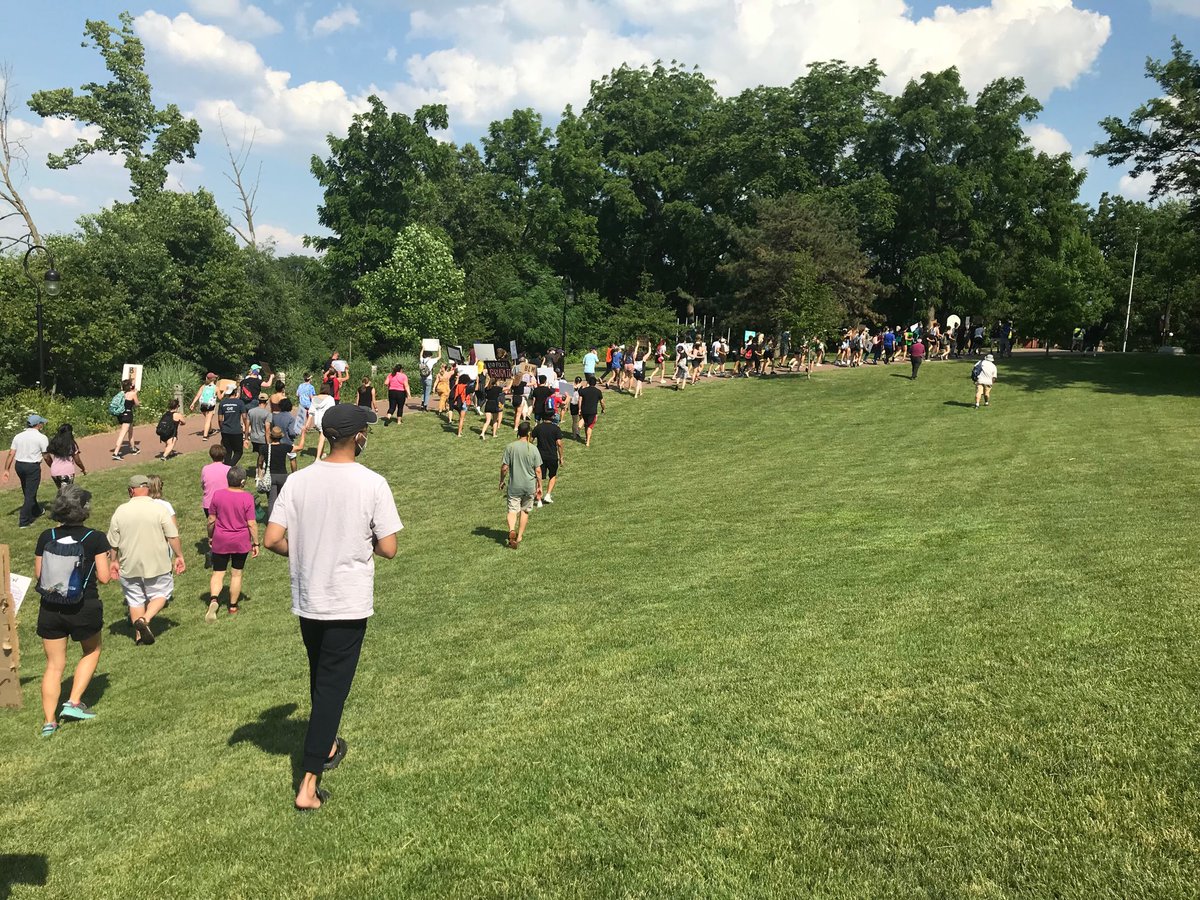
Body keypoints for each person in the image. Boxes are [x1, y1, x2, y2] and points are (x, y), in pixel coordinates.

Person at [264, 403, 401, 811]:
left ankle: (324, 748)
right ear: (357, 437)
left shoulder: (298, 481)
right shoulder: (372, 483)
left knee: (321, 681)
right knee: (332, 692)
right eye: (366, 433)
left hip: (309, 599)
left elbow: (272, 538)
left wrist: (305, 553)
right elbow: (390, 548)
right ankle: (308, 784)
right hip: (346, 600)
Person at [33, 485, 113, 737]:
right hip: (83, 606)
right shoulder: (96, 538)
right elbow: (104, 577)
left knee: (54, 665)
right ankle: (74, 701)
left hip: (50, 607)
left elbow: (39, 574)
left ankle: (49, 721)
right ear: (84, 509)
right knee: (91, 650)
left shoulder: (47, 536)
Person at [107, 474, 186, 646]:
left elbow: (113, 541)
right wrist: (179, 555)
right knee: (161, 593)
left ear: (131, 491)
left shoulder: (121, 510)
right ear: (148, 489)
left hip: (129, 563)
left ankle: (139, 637)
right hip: (157, 562)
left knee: (135, 599)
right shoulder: (159, 509)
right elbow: (172, 535)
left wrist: (113, 561)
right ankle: (145, 618)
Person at [205, 466, 259, 622]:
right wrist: (256, 543)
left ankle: (214, 599)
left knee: (218, 572)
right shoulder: (247, 498)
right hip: (240, 541)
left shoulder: (218, 495)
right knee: (236, 573)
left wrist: (210, 536)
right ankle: (233, 606)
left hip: (221, 539)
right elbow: (252, 523)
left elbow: (211, 520)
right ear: (243, 482)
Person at [500, 421, 542, 549]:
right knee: (525, 511)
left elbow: (504, 468)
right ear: (529, 433)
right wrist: (539, 486)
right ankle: (519, 536)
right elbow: (538, 470)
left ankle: (512, 529)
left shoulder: (510, 447)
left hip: (514, 485)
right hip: (529, 485)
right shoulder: (533, 449)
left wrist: (501, 480)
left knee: (512, 510)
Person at [4, 414, 50, 527]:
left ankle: (37, 511)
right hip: (32, 467)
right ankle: (24, 521)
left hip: (19, 466)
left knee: (28, 490)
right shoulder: (42, 438)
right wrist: (52, 466)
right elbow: (46, 456)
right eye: (42, 423)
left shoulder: (18, 436)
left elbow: (11, 453)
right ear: (38, 425)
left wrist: (6, 469)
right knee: (30, 493)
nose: (43, 424)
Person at [43, 422, 86, 493]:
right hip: (67, 471)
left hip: (55, 471)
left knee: (61, 492)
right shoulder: (71, 444)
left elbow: (46, 456)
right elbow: (77, 460)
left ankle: (60, 503)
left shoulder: (54, 443)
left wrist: (52, 465)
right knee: (68, 493)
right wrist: (83, 468)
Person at [264, 425, 295, 519]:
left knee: (271, 501)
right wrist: (303, 434)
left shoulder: (264, 448)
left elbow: (260, 462)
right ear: (281, 437)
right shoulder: (285, 447)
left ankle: (271, 520)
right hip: (283, 475)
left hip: (271, 476)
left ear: (271, 436)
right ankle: (284, 518)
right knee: (283, 499)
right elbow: (300, 447)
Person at [531, 416, 563, 507]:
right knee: (552, 475)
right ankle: (548, 495)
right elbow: (559, 444)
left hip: (540, 456)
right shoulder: (556, 428)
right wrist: (561, 457)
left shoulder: (538, 427)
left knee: (539, 478)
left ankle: (539, 499)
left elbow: (530, 441)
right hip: (552, 456)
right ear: (552, 417)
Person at [215, 384, 249, 467]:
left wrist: (222, 429)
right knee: (238, 452)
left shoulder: (222, 403)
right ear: (235, 392)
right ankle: (229, 467)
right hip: (236, 431)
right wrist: (246, 435)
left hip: (225, 430)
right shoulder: (240, 402)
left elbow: (220, 419)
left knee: (228, 451)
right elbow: (244, 417)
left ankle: (226, 467)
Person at [111, 378, 140, 460]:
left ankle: (133, 448)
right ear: (130, 386)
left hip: (122, 414)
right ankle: (116, 452)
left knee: (130, 432)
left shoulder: (122, 394)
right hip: (128, 415)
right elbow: (137, 404)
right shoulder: (132, 394)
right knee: (122, 434)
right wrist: (135, 393)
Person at [190, 373, 220, 440]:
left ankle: (210, 430)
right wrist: (224, 392)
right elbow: (220, 398)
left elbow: (198, 395)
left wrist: (193, 403)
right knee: (208, 420)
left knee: (207, 418)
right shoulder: (216, 388)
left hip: (202, 405)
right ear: (213, 379)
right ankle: (205, 436)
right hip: (210, 406)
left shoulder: (203, 386)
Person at [248, 391, 272, 475]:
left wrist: (246, 437)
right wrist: (268, 442)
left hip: (253, 437)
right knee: (263, 456)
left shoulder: (251, 411)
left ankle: (259, 470)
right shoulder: (267, 414)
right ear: (267, 401)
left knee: (260, 454)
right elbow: (267, 429)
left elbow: (247, 424)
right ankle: (259, 472)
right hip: (262, 438)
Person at [309, 385, 337, 459]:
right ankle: (318, 457)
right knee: (322, 438)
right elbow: (332, 411)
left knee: (322, 437)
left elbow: (311, 412)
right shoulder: (330, 399)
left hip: (317, 421)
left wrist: (307, 423)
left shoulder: (315, 398)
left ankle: (322, 453)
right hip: (325, 420)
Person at [578, 374, 605, 447]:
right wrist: (603, 409)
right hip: (592, 412)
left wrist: (579, 409)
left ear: (589, 383)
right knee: (590, 426)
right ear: (595, 383)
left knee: (586, 425)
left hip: (584, 410)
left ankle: (584, 434)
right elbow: (602, 402)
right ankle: (588, 442)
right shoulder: (598, 391)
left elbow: (580, 400)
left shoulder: (583, 391)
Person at [294, 374, 317, 452]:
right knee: (309, 416)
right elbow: (312, 396)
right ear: (309, 379)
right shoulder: (311, 387)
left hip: (301, 403)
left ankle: (300, 428)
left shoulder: (300, 386)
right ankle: (308, 427)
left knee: (301, 416)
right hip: (308, 403)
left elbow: (297, 394)